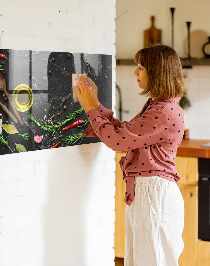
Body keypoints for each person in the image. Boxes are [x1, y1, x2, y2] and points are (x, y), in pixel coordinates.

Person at [74, 44, 186, 266]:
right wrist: (95, 103)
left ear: (157, 72)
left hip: (154, 195)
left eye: (141, 67)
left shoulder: (163, 111)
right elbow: (125, 133)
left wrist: (89, 108)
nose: (135, 72)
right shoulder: (159, 106)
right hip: (149, 193)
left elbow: (117, 141)